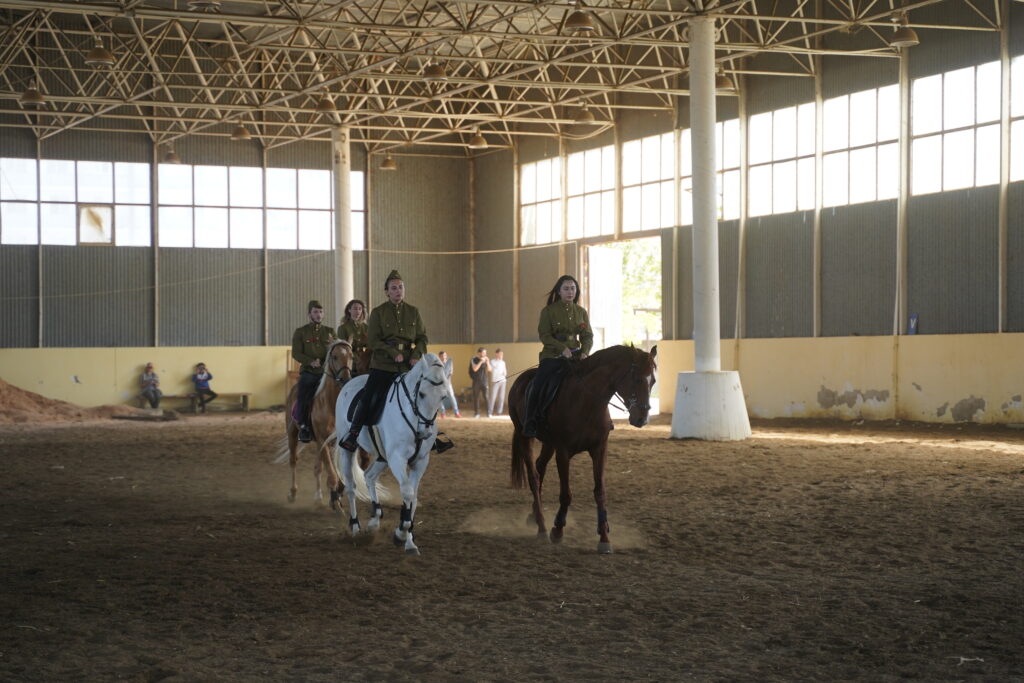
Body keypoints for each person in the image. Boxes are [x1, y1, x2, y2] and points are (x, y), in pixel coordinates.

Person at [339, 270, 438, 452]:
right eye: (394, 288)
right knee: (369, 395)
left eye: (401, 287)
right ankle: (353, 433)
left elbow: (422, 337)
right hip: (383, 364)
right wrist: (392, 352)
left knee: (427, 392)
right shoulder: (379, 312)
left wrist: (416, 355)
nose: (398, 291)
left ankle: (431, 433)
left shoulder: (413, 312)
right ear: (387, 292)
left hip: (408, 363)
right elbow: (373, 341)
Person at [522, 274, 594, 437]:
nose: (570, 292)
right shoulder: (548, 311)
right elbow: (545, 335)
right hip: (552, 356)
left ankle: (597, 418)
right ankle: (530, 420)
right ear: (559, 291)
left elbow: (587, 336)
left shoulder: (581, 312)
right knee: (539, 383)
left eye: (573, 288)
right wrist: (562, 348)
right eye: (566, 289)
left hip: (576, 356)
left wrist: (585, 352)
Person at [291, 299, 336, 443]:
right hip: (309, 372)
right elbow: (296, 353)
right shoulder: (301, 332)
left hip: (326, 373)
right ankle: (304, 425)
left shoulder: (329, 332)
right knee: (304, 392)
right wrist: (310, 362)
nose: (318, 315)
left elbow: (335, 350)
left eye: (321, 312)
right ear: (309, 314)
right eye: (315, 312)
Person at [338, 299, 369, 374]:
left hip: (366, 362)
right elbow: (343, 349)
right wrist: (356, 358)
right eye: (355, 309)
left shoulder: (366, 327)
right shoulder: (343, 328)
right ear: (349, 310)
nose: (357, 311)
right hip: (351, 362)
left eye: (360, 309)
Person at [437, 350, 461, 418]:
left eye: (444, 355)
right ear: (439, 357)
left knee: (452, 397)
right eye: (442, 356)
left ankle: (456, 413)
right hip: (439, 384)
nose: (443, 357)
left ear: (446, 356)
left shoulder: (449, 362)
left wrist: (445, 379)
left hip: (448, 383)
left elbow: (451, 372)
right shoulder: (437, 364)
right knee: (439, 399)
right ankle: (443, 413)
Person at [469, 347, 491, 417]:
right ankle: (477, 413)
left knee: (486, 397)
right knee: (476, 398)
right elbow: (475, 369)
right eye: (483, 353)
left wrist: (487, 362)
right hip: (476, 381)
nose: (485, 354)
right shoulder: (474, 359)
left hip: (484, 381)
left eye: (485, 353)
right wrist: (481, 361)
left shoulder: (486, 360)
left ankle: (489, 413)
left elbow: (490, 370)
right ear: (479, 353)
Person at [488, 348, 508, 416]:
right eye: (500, 354)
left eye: (502, 354)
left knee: (501, 397)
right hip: (495, 381)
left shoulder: (503, 362)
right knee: (493, 397)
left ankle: (499, 412)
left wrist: (504, 373)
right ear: (496, 354)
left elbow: (505, 372)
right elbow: (490, 370)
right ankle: (490, 411)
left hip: (503, 381)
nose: (501, 355)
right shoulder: (492, 362)